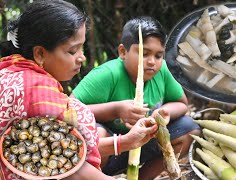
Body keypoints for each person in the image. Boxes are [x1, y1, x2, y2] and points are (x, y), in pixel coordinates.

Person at [0, 1, 158, 179]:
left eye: (82, 48)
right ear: (40, 54)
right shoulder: (37, 93)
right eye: (73, 51)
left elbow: (57, 147)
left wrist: (127, 141)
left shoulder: (11, 73)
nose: (81, 57)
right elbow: (72, 168)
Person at [71, 16, 201, 179]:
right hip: (108, 150)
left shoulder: (162, 72)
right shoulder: (106, 75)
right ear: (123, 52)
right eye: (144, 54)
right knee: (96, 132)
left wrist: (162, 112)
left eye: (158, 55)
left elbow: (181, 104)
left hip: (144, 143)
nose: (152, 62)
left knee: (189, 128)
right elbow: (68, 111)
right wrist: (116, 110)